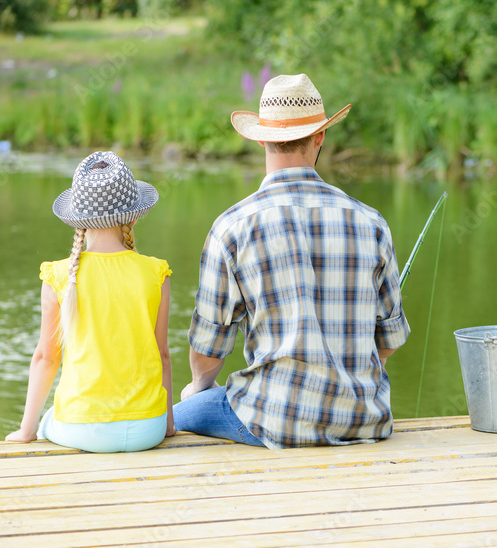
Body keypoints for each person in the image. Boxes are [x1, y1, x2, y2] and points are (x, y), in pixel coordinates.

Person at [174, 73, 410, 449]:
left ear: (262, 138)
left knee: (168, 418)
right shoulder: (371, 223)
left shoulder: (232, 228)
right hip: (364, 420)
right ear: (320, 136)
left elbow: (208, 348)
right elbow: (390, 339)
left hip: (271, 420)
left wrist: (199, 387)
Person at [6, 151, 175, 452]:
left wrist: (26, 431)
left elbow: (47, 358)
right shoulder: (156, 273)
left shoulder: (58, 275)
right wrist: (168, 425)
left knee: (46, 422)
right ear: (134, 216)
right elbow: (162, 354)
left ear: (77, 220)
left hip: (83, 429)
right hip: (148, 429)